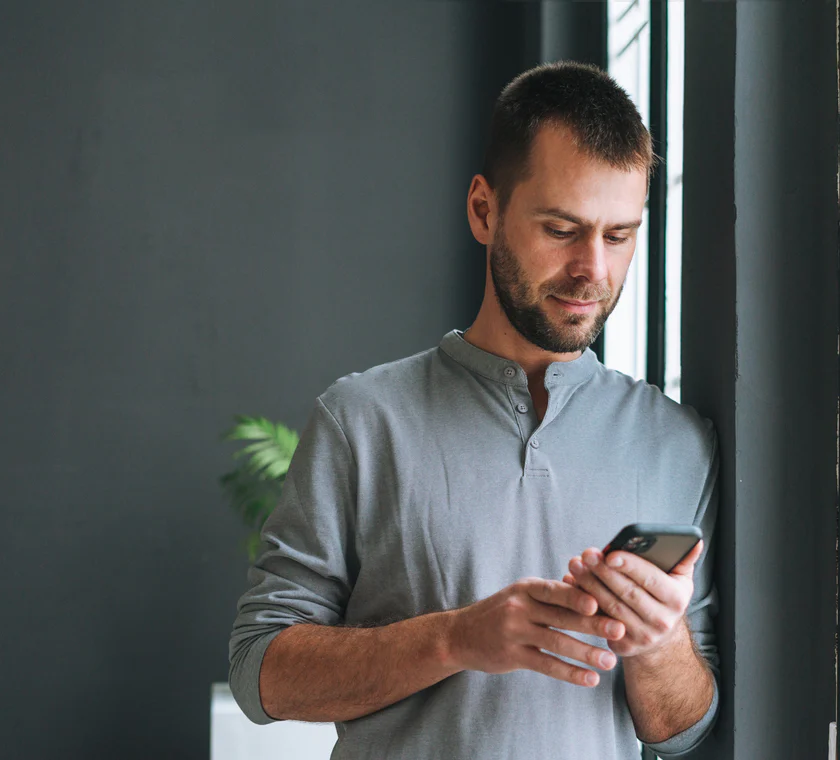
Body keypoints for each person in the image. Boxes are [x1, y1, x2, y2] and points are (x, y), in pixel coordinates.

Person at [228, 61, 719, 759]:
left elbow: (682, 729)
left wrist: (660, 641)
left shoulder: (677, 441)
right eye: (562, 228)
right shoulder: (361, 421)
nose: (594, 270)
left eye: (618, 235)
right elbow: (259, 674)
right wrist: (455, 638)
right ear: (484, 210)